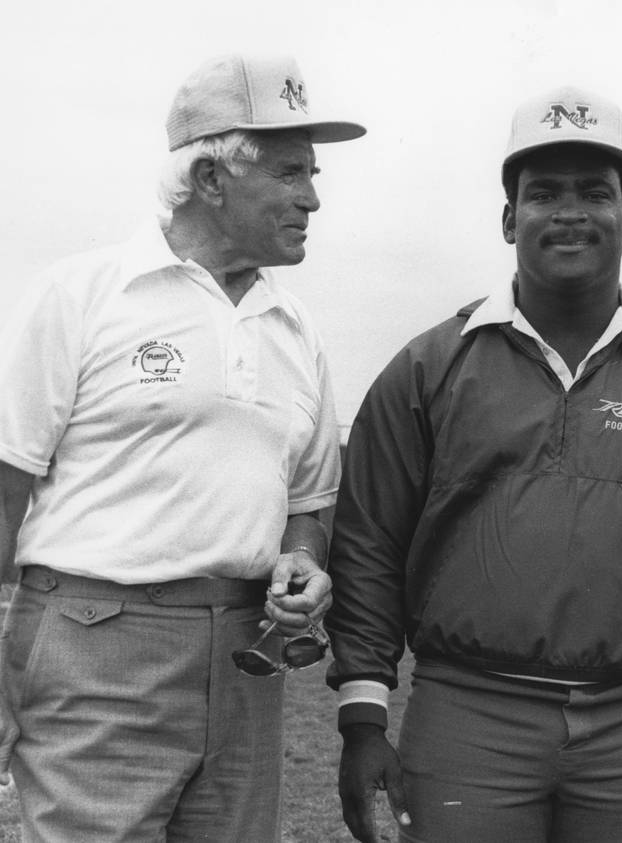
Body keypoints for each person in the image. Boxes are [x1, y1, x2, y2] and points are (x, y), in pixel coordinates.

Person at [326, 86, 622, 843]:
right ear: (509, 218)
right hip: (469, 714)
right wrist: (363, 715)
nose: (570, 212)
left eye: (594, 193)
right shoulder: (428, 368)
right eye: (543, 193)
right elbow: (370, 544)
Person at [0, 53, 364, 841]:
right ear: (208, 176)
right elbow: (5, 497)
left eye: (312, 172)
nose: (312, 197)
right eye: (290, 172)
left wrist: (303, 556)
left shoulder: (294, 330)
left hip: (245, 662)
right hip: (94, 647)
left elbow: (308, 505)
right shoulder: (82, 295)